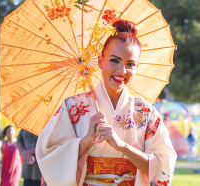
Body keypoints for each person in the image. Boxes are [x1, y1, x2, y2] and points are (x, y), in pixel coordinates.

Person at [36, 20, 177, 186]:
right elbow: (50, 157)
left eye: (130, 64)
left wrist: (121, 145)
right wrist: (86, 140)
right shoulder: (73, 107)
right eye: (114, 61)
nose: (122, 71)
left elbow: (163, 166)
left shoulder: (147, 113)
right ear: (100, 61)